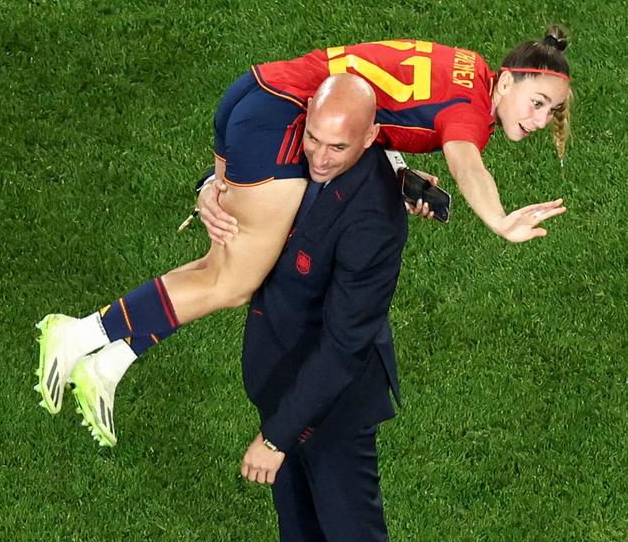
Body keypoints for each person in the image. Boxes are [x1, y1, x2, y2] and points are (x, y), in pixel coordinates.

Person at [34, 25, 571, 446]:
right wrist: (499, 219)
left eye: (552, 110)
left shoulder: (466, 67)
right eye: (537, 102)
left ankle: (109, 363)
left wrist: (396, 172)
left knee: (230, 263)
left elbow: (377, 107)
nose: (542, 119)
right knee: (234, 281)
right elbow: (465, 162)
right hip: (285, 121)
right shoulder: (470, 112)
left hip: (258, 94)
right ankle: (78, 336)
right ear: (505, 80)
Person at [227, 73, 407, 542]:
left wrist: (275, 436)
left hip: (334, 397)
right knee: (298, 515)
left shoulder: (375, 215)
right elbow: (243, 186)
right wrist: (210, 194)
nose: (320, 157)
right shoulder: (292, 150)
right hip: (281, 377)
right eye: (315, 139)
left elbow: (340, 346)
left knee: (352, 535)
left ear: (372, 138)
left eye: (338, 147)